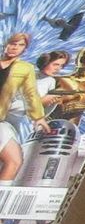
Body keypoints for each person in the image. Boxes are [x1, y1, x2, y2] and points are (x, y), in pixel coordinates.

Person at [0, 33, 48, 181]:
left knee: (14, 161)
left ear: (24, 49)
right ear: (6, 44)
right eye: (13, 43)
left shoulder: (25, 68)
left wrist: (38, 117)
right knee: (13, 160)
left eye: (20, 45)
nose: (15, 48)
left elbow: (30, 93)